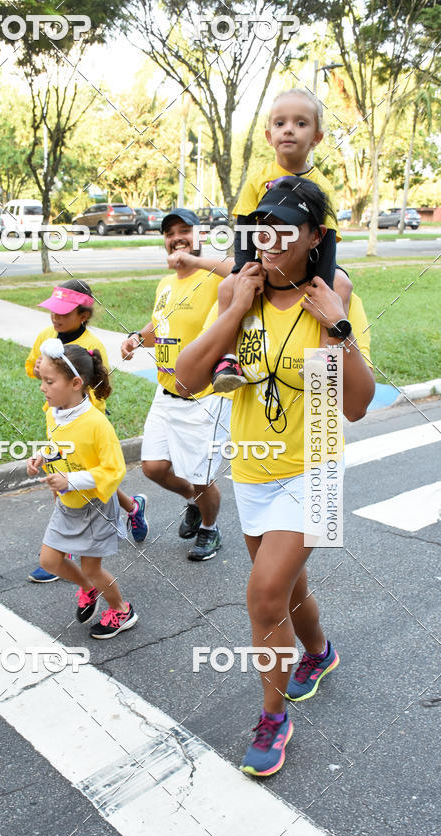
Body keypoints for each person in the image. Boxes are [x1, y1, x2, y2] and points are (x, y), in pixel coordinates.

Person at [176, 177, 375, 776]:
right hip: (252, 471)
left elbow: (357, 405)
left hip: (312, 469)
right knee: (286, 590)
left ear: (315, 236)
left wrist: (338, 329)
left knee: (263, 595)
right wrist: (234, 306)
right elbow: (188, 379)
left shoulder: (331, 293)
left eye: (286, 225)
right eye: (262, 224)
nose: (268, 236)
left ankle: (273, 715)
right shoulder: (242, 289)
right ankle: (319, 650)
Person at [212, 88, 352, 393]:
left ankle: (323, 357)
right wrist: (244, 271)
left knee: (342, 287)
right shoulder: (256, 179)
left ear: (317, 137)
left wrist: (322, 284)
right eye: (280, 123)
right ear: (268, 135)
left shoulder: (322, 185)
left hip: (311, 265)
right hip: (265, 261)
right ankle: (228, 359)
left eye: (301, 123)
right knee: (227, 287)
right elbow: (244, 228)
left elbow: (327, 242)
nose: (289, 129)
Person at [120, 208, 234, 562]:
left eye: (185, 230)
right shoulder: (166, 284)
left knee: (201, 476)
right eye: (170, 234)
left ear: (200, 235)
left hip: (203, 396)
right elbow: (161, 326)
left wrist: (194, 260)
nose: (176, 238)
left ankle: (210, 530)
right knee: (153, 468)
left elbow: (241, 271)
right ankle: (195, 504)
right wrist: (138, 338)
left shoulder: (215, 276)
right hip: (166, 390)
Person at [26, 279, 148, 583]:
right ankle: (68, 545)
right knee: (65, 474)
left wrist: (83, 420)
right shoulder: (45, 335)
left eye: (64, 313)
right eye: (53, 311)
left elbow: (97, 388)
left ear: (84, 315)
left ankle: (127, 510)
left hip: (87, 420)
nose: (56, 318)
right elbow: (31, 368)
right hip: (58, 417)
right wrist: (40, 368)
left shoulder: (93, 345)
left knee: (88, 476)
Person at [26, 338, 138, 639]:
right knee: (49, 561)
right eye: (42, 381)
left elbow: (114, 470)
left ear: (76, 383)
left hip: (95, 508)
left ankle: (122, 609)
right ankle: (88, 590)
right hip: (67, 503)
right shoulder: (54, 412)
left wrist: (70, 480)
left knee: (92, 568)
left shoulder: (97, 424)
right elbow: (58, 444)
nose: (42, 388)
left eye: (49, 381)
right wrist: (43, 455)